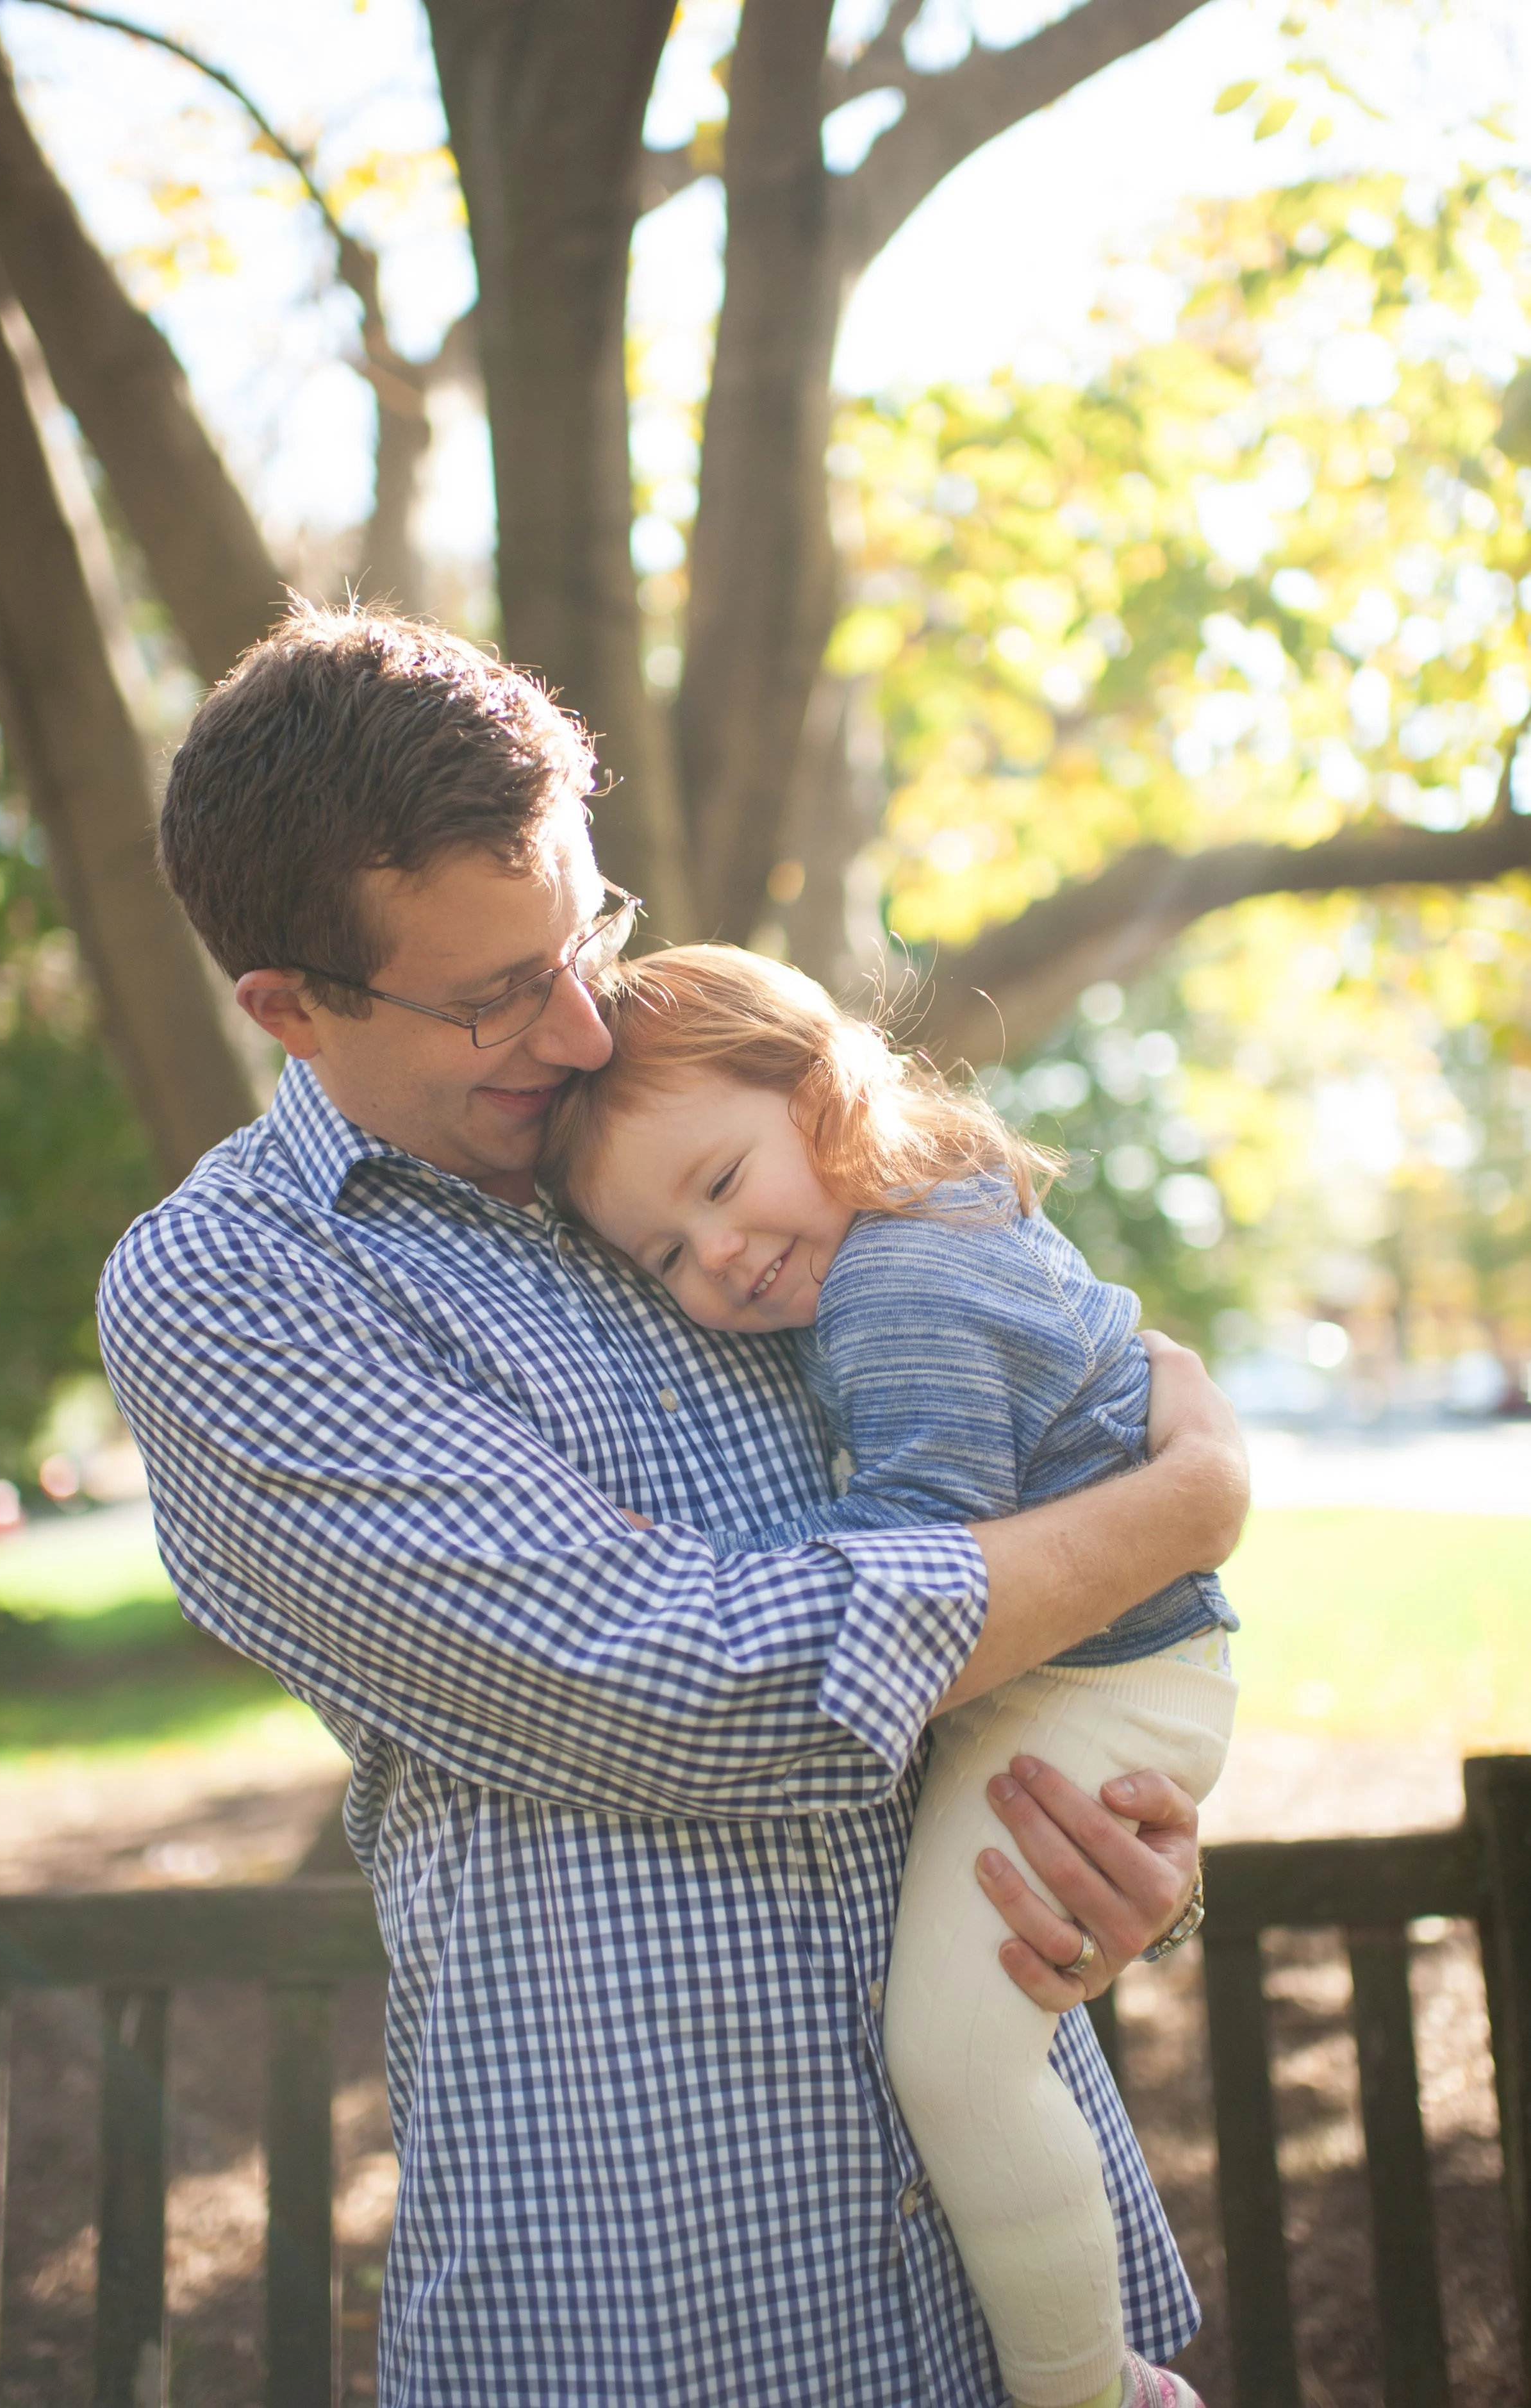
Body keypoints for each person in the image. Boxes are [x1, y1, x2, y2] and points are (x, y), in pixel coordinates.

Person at [97, 605, 1251, 2408]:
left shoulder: (680, 1133)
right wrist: (1188, 1500)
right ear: (288, 1003)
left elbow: (1044, 1387)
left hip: (1002, 2281)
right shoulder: (241, 1291)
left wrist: (1111, 1853)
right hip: (662, 2298)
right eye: (491, 993)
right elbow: (702, 1689)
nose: (572, 1024)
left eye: (586, 933)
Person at [542, 944, 1240, 2408]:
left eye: (721, 1182)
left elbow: (916, 1552)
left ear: (822, 1085)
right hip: (1106, 1662)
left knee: (954, 2060)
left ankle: (1084, 2394)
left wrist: (688, 1553)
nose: (715, 1254)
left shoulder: (896, 1284)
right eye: (665, 1254)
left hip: (1092, 1682)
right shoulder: (925, 1212)